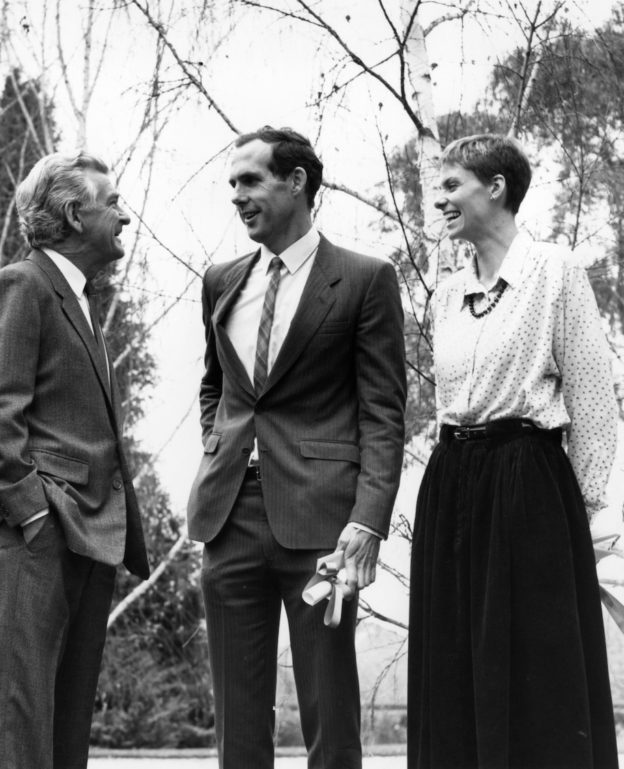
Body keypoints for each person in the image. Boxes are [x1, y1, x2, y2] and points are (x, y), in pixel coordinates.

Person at [187, 126, 407, 769]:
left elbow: (383, 413)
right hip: (228, 516)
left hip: (323, 525)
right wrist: (218, 441)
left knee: (329, 709)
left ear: (297, 182)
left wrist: (367, 520)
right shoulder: (221, 280)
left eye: (250, 181)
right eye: (232, 184)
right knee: (238, 714)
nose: (237, 196)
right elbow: (216, 385)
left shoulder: (365, 279)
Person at [408, 134, 619, 769]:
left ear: (495, 188)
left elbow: (592, 400)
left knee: (535, 671)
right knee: (452, 665)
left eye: (452, 186)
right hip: (452, 486)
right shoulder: (446, 292)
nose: (439, 199)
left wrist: (570, 517)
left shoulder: (555, 272)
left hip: (529, 487)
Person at [0, 152, 150, 769]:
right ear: (75, 213)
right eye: (113, 202)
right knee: (16, 730)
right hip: (34, 538)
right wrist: (35, 517)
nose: (124, 216)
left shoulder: (79, 299)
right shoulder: (22, 285)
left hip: (85, 537)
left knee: (64, 733)